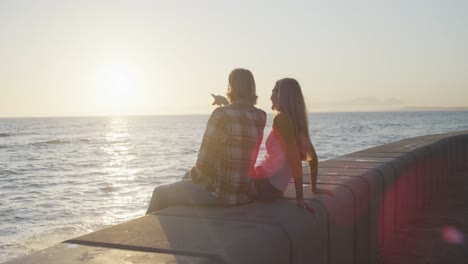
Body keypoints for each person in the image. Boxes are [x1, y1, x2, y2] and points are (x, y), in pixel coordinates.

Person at [146, 68, 266, 214]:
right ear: (251, 88)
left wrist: (192, 178)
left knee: (160, 193)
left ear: (230, 87)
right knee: (185, 178)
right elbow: (240, 114)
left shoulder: (220, 115)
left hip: (221, 194)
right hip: (245, 192)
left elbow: (203, 164)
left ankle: (139, 236)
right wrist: (226, 102)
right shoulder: (260, 116)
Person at [254, 78, 330, 212]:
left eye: (274, 91)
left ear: (283, 96)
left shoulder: (281, 120)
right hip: (275, 187)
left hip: (266, 185)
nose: (270, 95)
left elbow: (294, 158)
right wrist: (314, 188)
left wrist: (299, 198)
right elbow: (313, 158)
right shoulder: (297, 123)